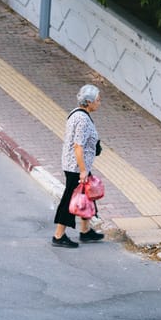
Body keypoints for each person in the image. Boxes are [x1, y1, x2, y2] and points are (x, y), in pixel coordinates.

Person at [52, 84, 105, 248]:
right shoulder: (82, 119)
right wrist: (82, 171)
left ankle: (85, 231)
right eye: (97, 100)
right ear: (88, 102)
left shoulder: (76, 113)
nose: (99, 103)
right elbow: (78, 146)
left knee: (87, 196)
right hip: (76, 167)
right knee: (69, 200)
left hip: (77, 165)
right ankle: (59, 235)